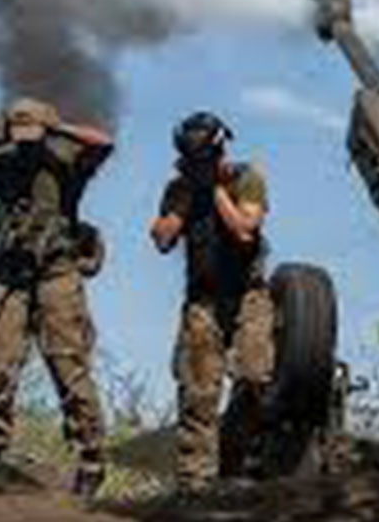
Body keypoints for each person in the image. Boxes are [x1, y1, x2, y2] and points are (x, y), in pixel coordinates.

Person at [0, 97, 112, 498]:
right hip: (9, 275)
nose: (26, 143)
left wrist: (59, 126)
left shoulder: (66, 158)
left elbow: (103, 144)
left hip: (58, 272)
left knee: (69, 368)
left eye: (31, 135)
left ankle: (92, 461)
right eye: (19, 135)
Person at [150, 111, 274, 494]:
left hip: (248, 295)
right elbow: (162, 238)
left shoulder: (246, 178)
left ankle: (241, 462)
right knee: (198, 390)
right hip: (203, 299)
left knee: (255, 376)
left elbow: (243, 230)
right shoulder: (179, 188)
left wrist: (216, 190)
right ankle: (195, 480)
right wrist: (190, 194)